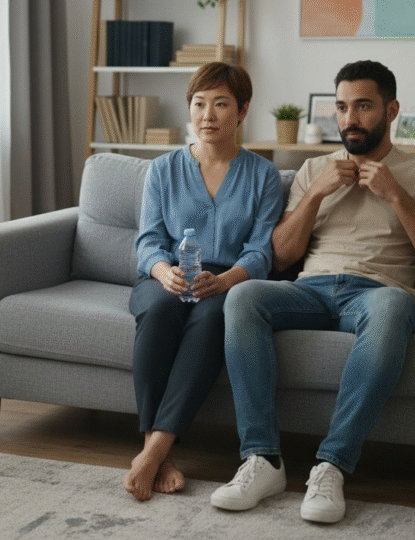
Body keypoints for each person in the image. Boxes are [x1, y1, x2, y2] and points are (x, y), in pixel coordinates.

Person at [210, 60, 415, 523]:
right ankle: (262, 459)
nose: (350, 118)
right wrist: (313, 195)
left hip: (377, 292)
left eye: (363, 106)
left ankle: (331, 465)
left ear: (391, 112)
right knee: (242, 296)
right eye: (343, 107)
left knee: (392, 306)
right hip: (311, 289)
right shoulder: (313, 170)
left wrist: (395, 195)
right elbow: (282, 258)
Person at [124, 62, 284, 501]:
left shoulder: (264, 176)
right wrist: (162, 272)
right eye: (199, 104)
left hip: (226, 283)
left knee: (213, 319)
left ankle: (154, 450)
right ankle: (156, 451)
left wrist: (229, 278)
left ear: (243, 110)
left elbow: (260, 251)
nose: (207, 115)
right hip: (165, 277)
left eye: (220, 104)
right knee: (157, 311)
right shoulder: (162, 170)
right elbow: (149, 240)